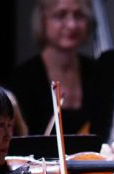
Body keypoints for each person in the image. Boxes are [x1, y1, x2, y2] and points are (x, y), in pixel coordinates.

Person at [8, 0, 96, 135]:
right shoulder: (23, 79)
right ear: (43, 21)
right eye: (60, 15)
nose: (72, 25)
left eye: (79, 15)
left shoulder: (98, 72)